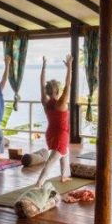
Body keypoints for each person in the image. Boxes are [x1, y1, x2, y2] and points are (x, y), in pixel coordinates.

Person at [35, 54, 73, 187]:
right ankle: (39, 182)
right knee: (52, 161)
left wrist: (44, 67)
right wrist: (69, 67)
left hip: (51, 132)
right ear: (57, 90)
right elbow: (68, 84)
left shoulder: (45, 102)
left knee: (65, 153)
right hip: (60, 135)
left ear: (47, 90)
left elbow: (41, 83)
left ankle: (64, 175)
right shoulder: (61, 103)